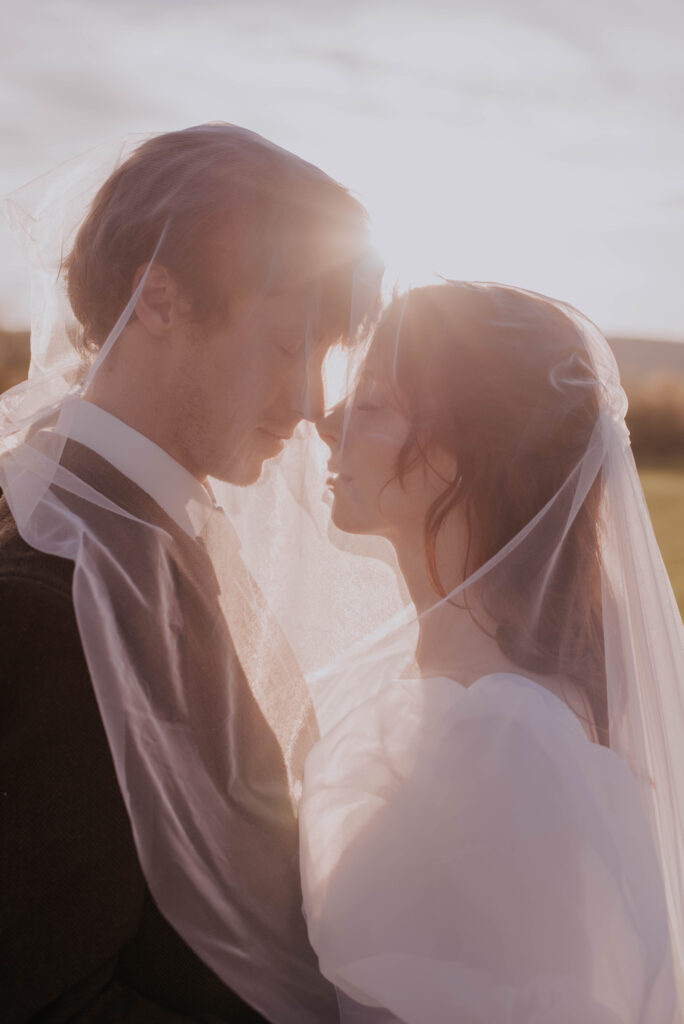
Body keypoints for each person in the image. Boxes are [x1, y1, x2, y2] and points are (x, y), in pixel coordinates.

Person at [0, 124, 380, 1023]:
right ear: (160, 301)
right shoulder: (50, 605)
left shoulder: (161, 532)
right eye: (290, 346)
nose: (311, 403)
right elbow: (48, 996)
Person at [299, 282, 684, 1022]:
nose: (327, 420)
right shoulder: (471, 698)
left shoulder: (498, 737)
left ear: (466, 452)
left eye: (372, 401)